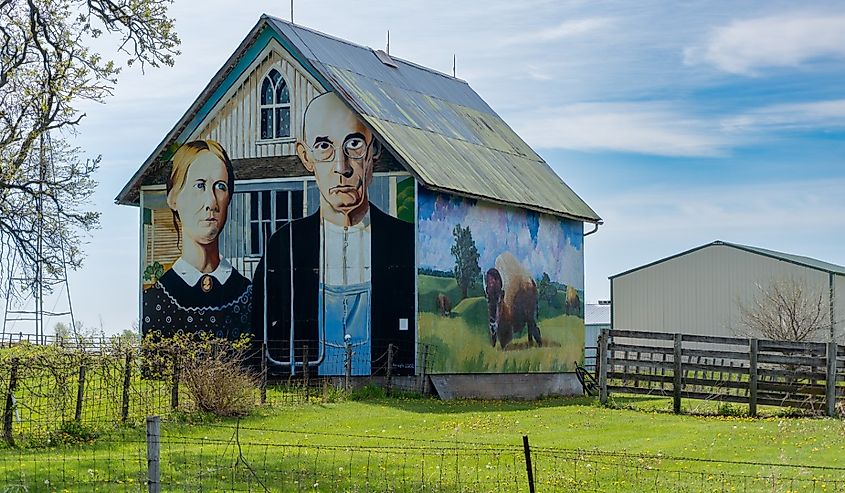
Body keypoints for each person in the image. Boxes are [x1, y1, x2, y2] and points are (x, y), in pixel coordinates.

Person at [252, 92, 415, 376]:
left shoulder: (405, 243)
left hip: (384, 389)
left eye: (354, 144)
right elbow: (261, 325)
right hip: (303, 390)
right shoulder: (285, 245)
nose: (342, 168)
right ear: (306, 156)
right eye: (324, 146)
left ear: (373, 151)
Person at [143, 140, 252, 339]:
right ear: (174, 197)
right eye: (199, 185)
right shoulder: (154, 301)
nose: (211, 202)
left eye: (220, 187)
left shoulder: (249, 297)